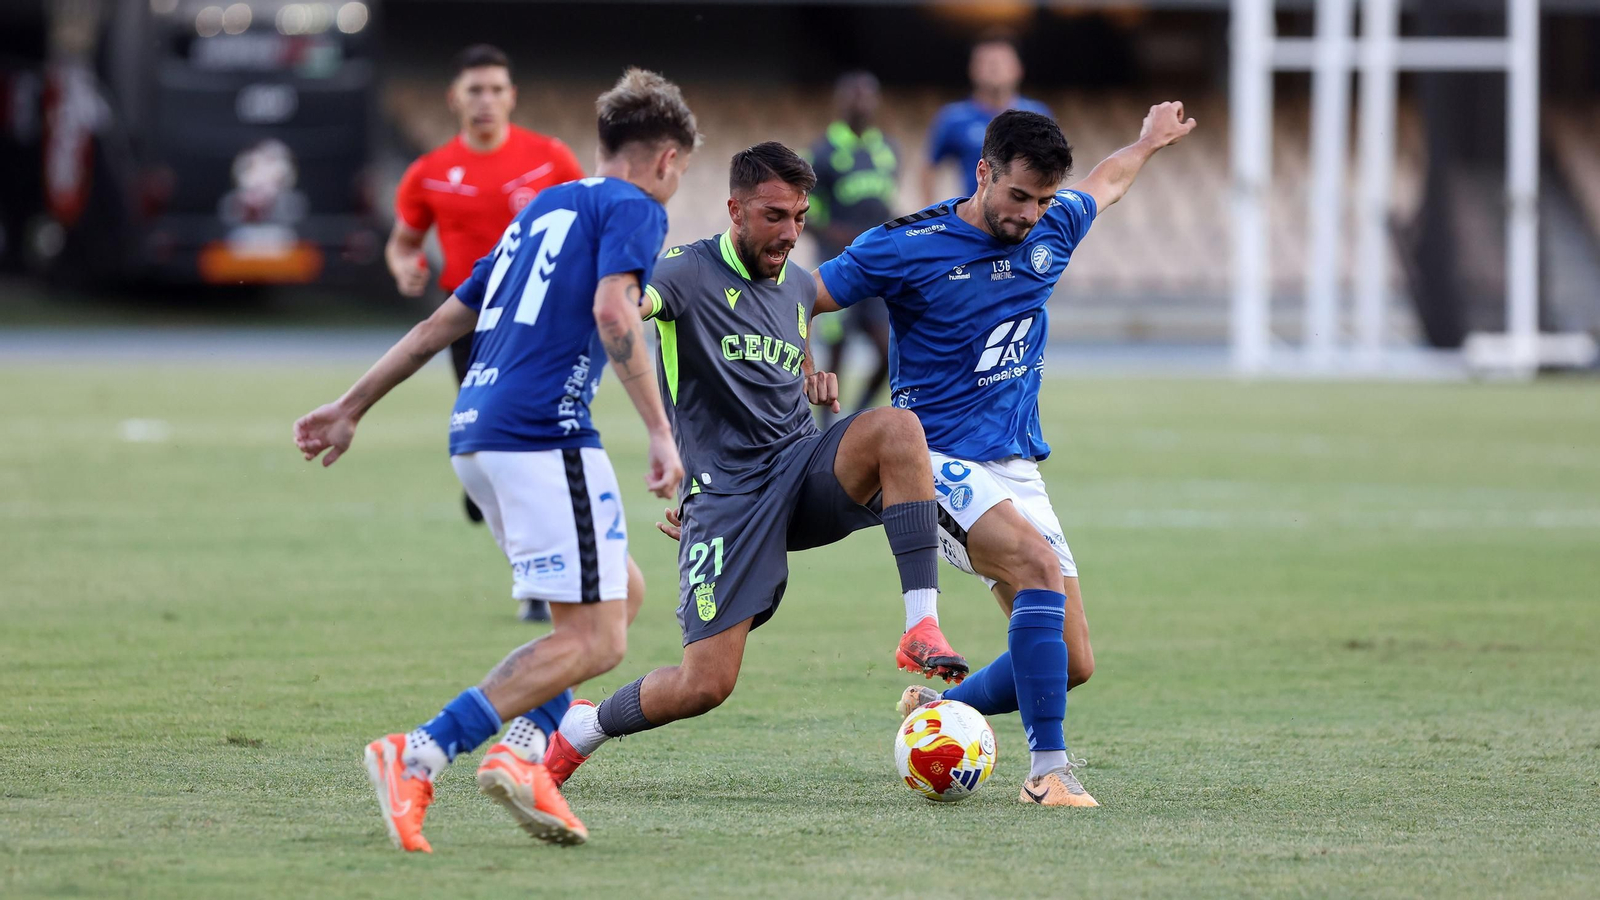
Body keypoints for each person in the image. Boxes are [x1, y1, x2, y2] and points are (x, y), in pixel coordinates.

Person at [293, 69, 698, 851]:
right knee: (601, 641)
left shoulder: (542, 209)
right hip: (544, 434)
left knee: (622, 592)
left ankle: (522, 756)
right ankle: (420, 751)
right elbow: (615, 310)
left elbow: (439, 325)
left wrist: (350, 406)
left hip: (476, 434)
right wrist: (659, 430)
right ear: (667, 161)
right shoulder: (636, 209)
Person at [536, 143, 970, 808]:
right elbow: (627, 306)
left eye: (799, 217)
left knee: (898, 428)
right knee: (703, 685)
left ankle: (923, 624)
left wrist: (810, 386)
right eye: (774, 217)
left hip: (799, 467)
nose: (791, 233)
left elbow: (775, 364)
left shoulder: (797, 285)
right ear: (734, 209)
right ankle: (580, 729)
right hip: (729, 500)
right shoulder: (682, 271)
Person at [812, 104, 1198, 807]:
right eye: (1018, 196)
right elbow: (800, 296)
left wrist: (1146, 142)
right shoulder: (908, 244)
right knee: (1037, 567)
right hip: (934, 461)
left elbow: (1107, 183)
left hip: (1016, 465)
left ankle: (936, 713)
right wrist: (801, 365)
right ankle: (1048, 772)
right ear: (983, 173)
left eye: (1044, 200)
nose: (1031, 215)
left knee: (1071, 661)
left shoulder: (1055, 225)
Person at [389, 45, 584, 623]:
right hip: (469, 327)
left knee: (531, 444)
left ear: (512, 96)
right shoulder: (429, 172)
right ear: (455, 98)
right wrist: (405, 265)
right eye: (475, 90)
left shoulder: (548, 159)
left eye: (497, 89)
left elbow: (589, 217)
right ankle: (490, 497)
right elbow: (403, 240)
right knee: (488, 445)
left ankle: (537, 582)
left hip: (542, 324)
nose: (486, 100)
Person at [807, 71, 898, 423]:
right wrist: (844, 235)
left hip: (878, 267)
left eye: (868, 95)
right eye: (854, 95)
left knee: (889, 352)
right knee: (836, 353)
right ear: (840, 102)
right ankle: (822, 428)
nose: (862, 102)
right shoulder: (821, 151)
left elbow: (885, 206)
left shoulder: (888, 149)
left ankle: (855, 415)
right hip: (838, 265)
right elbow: (805, 215)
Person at [921, 34, 1051, 206]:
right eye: (987, 62)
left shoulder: (1038, 115)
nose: (994, 68)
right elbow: (929, 168)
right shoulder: (954, 118)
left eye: (1002, 62)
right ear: (972, 69)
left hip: (1025, 222)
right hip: (976, 224)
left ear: (1018, 68)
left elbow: (1052, 170)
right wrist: (933, 217)